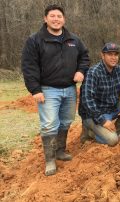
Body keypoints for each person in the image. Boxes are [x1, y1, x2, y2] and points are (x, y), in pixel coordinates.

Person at [21, 4, 90, 176]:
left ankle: (60, 151)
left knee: (66, 121)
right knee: (50, 124)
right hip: (48, 89)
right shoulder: (35, 40)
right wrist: (35, 89)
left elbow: (85, 56)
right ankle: (50, 159)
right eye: (52, 16)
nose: (56, 19)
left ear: (64, 19)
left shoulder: (73, 40)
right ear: (45, 19)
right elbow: (29, 67)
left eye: (59, 16)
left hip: (69, 89)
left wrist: (81, 71)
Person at [79, 42, 120, 146]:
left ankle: (117, 132)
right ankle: (90, 132)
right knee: (112, 141)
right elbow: (87, 100)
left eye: (116, 54)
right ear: (102, 56)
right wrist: (103, 121)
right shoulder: (93, 72)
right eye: (110, 54)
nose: (113, 58)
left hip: (111, 108)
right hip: (93, 115)